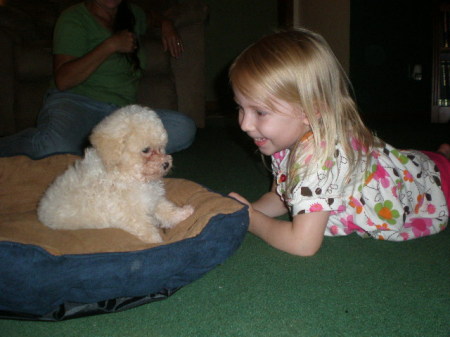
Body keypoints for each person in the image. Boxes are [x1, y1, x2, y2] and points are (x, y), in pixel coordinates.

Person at [228, 28, 449, 257]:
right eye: (240, 108)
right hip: (403, 166)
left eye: (260, 112)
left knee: (434, 172)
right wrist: (241, 210)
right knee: (424, 163)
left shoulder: (317, 160)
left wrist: (251, 220)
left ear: (310, 110)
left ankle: (443, 158)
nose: (244, 124)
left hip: (433, 187)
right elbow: (281, 198)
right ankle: (441, 155)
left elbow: (302, 244)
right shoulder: (287, 139)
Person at [0, 0, 196, 159]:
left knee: (183, 128)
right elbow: (63, 80)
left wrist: (166, 24)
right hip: (76, 103)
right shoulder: (73, 19)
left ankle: (98, 154)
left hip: (119, 114)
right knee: (54, 148)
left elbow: (151, 16)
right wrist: (109, 46)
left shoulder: (132, 14)